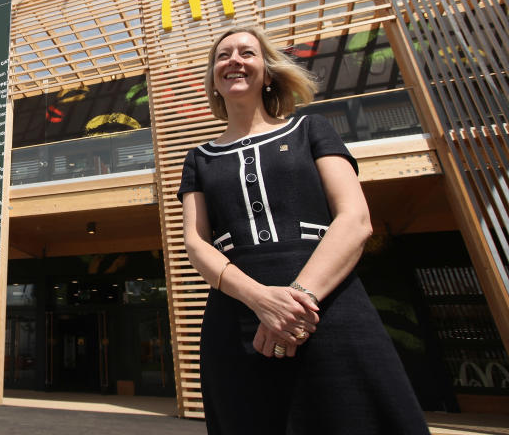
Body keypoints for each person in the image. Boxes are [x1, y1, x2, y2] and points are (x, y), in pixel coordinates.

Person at [178, 26, 428, 434]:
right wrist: (261, 300)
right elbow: (195, 243)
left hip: (329, 309)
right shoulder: (198, 158)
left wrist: (296, 303)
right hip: (235, 319)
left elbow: (355, 219)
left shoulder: (311, 129)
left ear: (268, 72)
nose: (234, 61)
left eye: (247, 53)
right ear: (213, 80)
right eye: (223, 56)